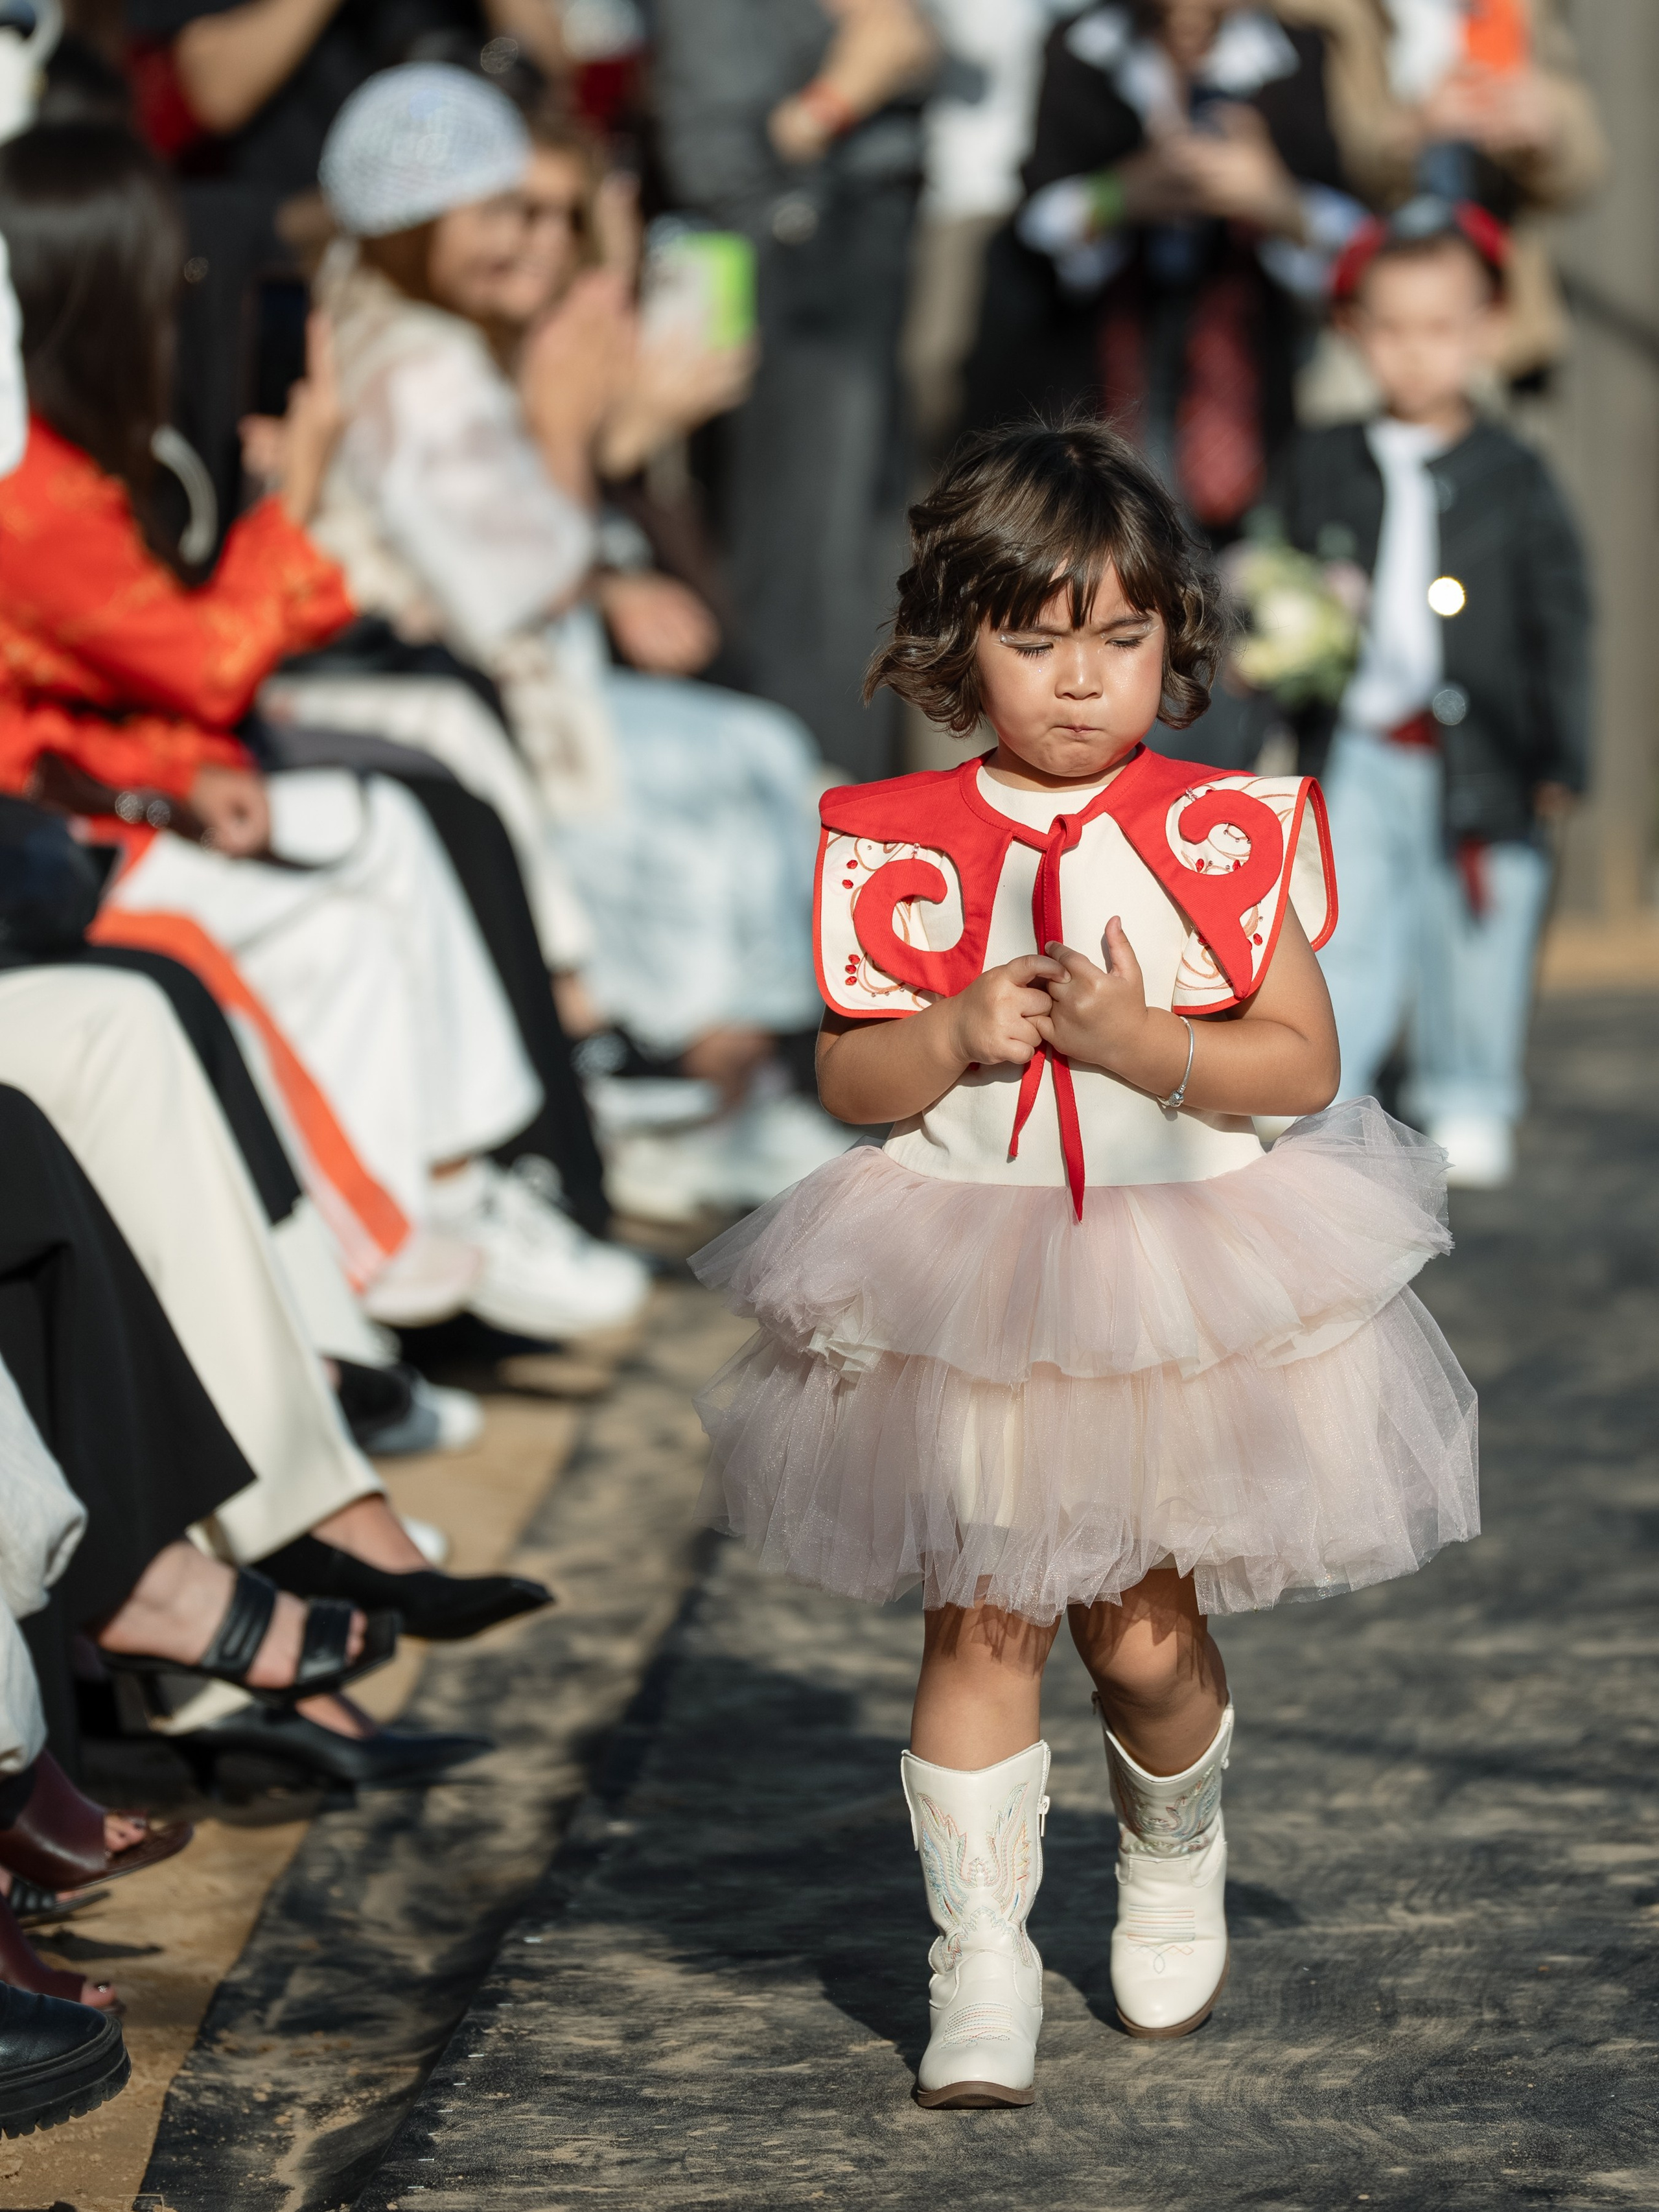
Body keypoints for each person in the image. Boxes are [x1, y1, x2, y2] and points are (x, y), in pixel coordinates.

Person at [691, 419, 1478, 2104]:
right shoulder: (897, 837)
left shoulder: (1219, 836)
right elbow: (844, 1073)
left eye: (1119, 637)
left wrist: (1144, 1046)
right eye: (1036, 638)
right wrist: (956, 1029)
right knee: (980, 1624)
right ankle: (981, 1960)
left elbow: (1297, 1066)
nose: (1078, 679)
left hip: (1163, 1283)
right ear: (954, 639)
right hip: (965, 1286)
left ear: (1171, 640)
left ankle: (1172, 1826)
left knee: (1136, 1633)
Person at [0, 119, 650, 1340]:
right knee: (358, 876)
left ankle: (462, 1190)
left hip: (124, 781)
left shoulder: (63, 455)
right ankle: (392, 1262)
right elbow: (195, 662)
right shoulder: (26, 484)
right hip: (70, 828)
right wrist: (297, 491)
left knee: (395, 824)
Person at [303, 65, 850, 1211]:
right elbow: (511, 580)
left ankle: (724, 1095)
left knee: (761, 749)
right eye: (500, 211)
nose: (530, 244)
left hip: (531, 689)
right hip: (481, 711)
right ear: (416, 222)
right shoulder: (417, 364)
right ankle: (689, 1095)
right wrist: (577, 426)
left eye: (547, 216)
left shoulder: (437, 337)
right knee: (716, 807)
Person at [1271, 199, 1587, 1187]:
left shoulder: (1515, 473)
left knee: (1477, 928)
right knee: (1347, 920)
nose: (1416, 354)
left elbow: (1562, 618)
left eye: (1442, 328)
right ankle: (1333, 1087)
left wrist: (1561, 751)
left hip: (1484, 748)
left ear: (1487, 330)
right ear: (1354, 331)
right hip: (1359, 740)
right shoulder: (1322, 462)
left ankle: (1471, 1088)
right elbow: (1273, 575)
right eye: (1392, 329)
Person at [966, 0, 1367, 540]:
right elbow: (1040, 221)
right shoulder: (1082, 48)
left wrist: (1270, 198)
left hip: (1245, 359)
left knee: (1240, 548)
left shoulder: (1293, 54)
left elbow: (1350, 236)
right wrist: (1124, 193)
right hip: (1102, 352)